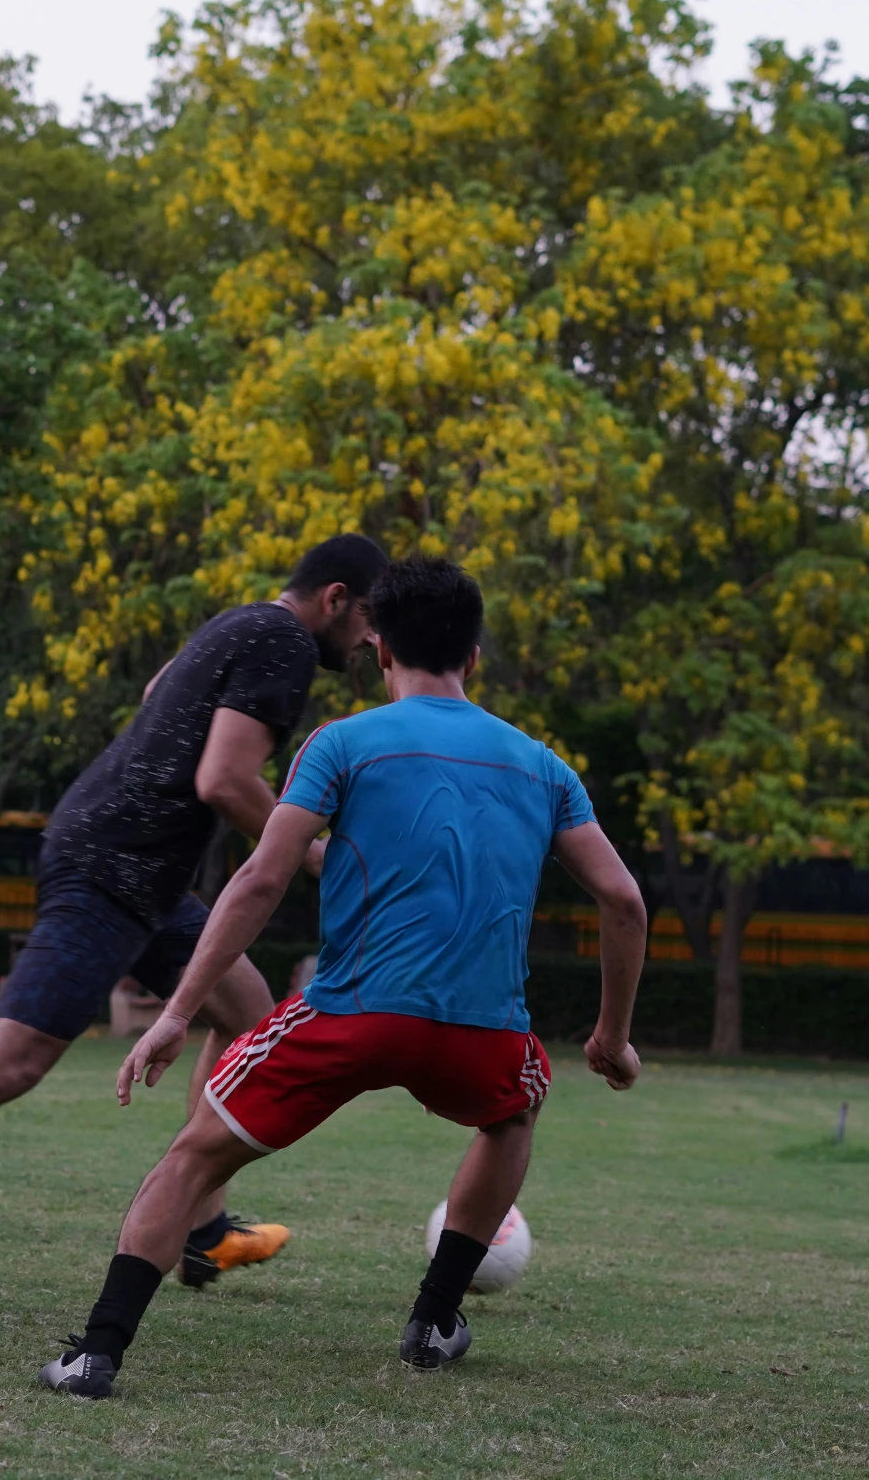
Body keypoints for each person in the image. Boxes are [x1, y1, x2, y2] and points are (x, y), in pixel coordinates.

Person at [36, 555, 648, 1397]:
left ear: (384, 649)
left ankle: (97, 1353)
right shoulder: (541, 765)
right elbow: (623, 898)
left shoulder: (345, 742)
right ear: (475, 658)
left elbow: (259, 879)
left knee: (188, 1160)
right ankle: (434, 1320)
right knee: (515, 1110)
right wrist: (611, 1034)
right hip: (481, 1031)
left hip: (349, 1016)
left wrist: (179, 1010)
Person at [0, 533, 390, 1322]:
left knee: (244, 1006)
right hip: (114, 864)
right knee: (13, 1057)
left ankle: (202, 1228)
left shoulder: (237, 623)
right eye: (370, 619)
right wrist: (311, 851)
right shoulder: (283, 643)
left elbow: (156, 689)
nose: (373, 642)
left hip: (144, 873)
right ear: (336, 597)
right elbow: (224, 777)